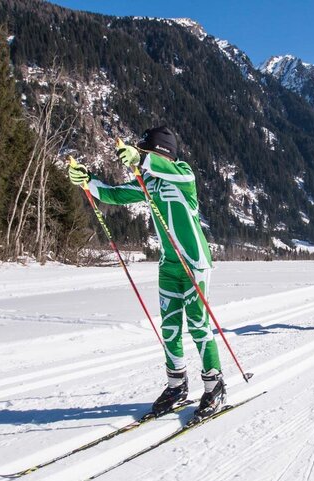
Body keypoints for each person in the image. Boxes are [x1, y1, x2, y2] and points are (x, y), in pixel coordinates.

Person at [67, 126, 225, 419]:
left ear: (160, 153)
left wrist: (141, 159)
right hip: (168, 264)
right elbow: (113, 195)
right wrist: (87, 182)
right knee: (170, 328)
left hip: (195, 262)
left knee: (198, 326)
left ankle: (214, 385)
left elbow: (166, 167)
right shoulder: (148, 182)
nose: (142, 156)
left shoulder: (183, 175)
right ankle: (177, 385)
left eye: (146, 151)